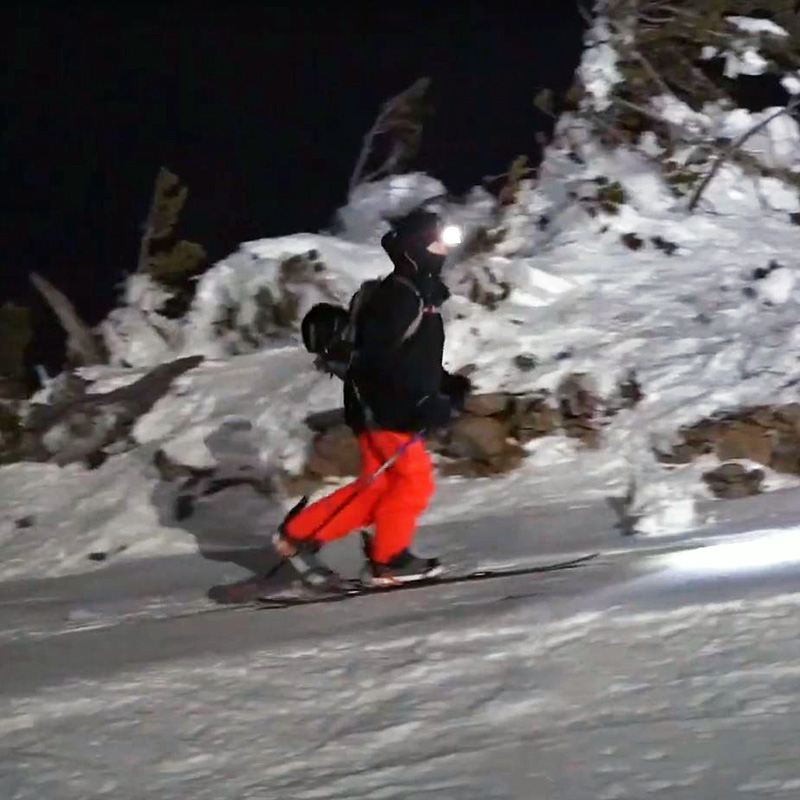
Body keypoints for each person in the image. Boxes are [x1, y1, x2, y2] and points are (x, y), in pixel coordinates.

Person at [273, 208, 470, 585]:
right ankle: (389, 560)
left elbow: (412, 358)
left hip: (382, 408)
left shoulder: (419, 298)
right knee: (414, 483)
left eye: (446, 245)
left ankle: (300, 534)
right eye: (437, 243)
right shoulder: (399, 297)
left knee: (379, 487)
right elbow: (377, 361)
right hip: (386, 409)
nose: (443, 252)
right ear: (415, 249)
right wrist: (419, 403)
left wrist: (444, 387)